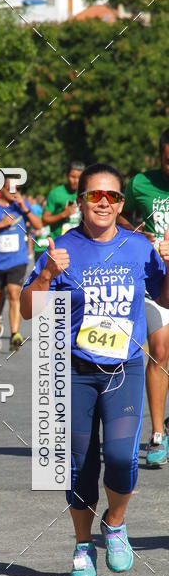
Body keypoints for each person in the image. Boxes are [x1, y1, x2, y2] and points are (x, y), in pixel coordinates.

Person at [21, 163, 169, 576]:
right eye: (95, 196)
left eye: (113, 196)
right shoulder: (61, 247)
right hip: (73, 368)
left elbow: (165, 297)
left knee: (121, 458)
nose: (104, 203)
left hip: (124, 368)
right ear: (80, 202)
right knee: (79, 465)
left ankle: (116, 524)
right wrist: (48, 274)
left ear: (121, 203)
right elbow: (30, 311)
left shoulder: (139, 247)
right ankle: (82, 544)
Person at [120, 128, 169, 467]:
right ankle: (156, 434)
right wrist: (135, 229)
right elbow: (122, 214)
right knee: (160, 350)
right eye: (168, 161)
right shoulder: (141, 183)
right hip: (156, 279)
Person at [0, 177, 42, 352]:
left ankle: (14, 334)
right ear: (0, 189)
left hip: (17, 260)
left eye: (16, 188)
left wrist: (25, 208)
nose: (13, 191)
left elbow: (38, 225)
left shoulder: (21, 205)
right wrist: (0, 224)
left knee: (13, 293)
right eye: (9, 188)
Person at [39, 162, 85, 259]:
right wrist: (63, 214)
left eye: (79, 177)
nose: (75, 181)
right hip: (60, 244)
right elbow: (44, 219)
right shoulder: (56, 193)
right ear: (67, 176)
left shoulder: (86, 193)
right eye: (72, 177)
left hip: (81, 242)